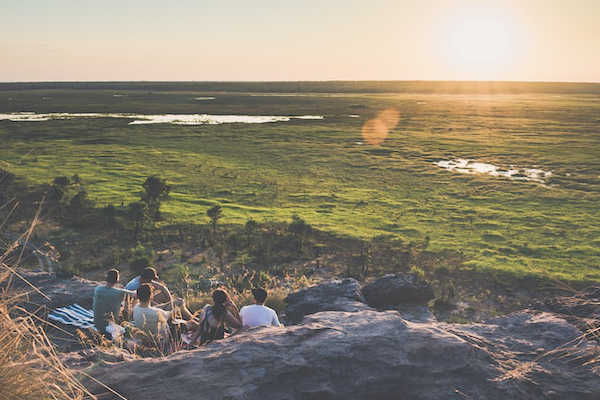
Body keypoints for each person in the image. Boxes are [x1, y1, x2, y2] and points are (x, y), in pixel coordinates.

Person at [92, 269, 135, 335]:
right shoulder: (120, 292)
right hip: (110, 325)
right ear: (117, 280)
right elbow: (135, 294)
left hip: (96, 321)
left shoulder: (98, 289)